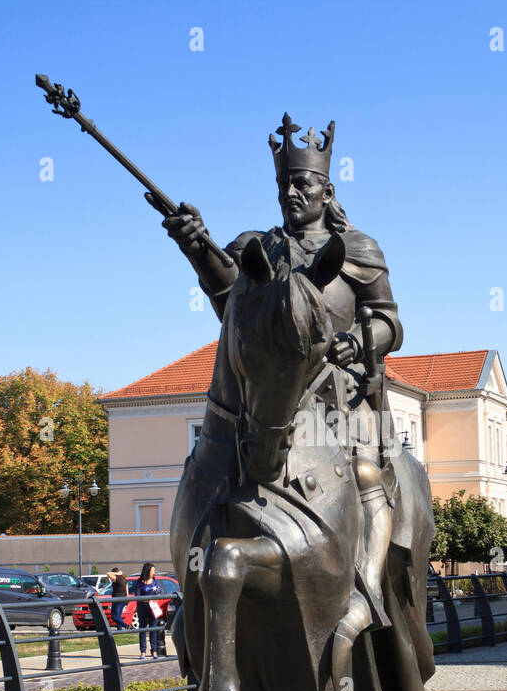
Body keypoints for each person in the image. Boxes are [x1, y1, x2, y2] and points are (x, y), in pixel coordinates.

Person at [164, 114, 402, 648]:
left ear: (326, 190)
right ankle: (194, 593)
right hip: (273, 396)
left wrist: (357, 344)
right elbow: (232, 304)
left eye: (302, 183)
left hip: (336, 397)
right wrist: (198, 247)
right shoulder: (258, 246)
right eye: (284, 184)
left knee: (364, 472)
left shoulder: (358, 250)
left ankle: (366, 591)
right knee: (216, 465)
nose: (291, 192)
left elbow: (390, 320)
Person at [130, 562, 166, 658]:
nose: (153, 572)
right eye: (152, 571)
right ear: (147, 571)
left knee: (153, 629)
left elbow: (160, 592)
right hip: (142, 608)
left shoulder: (154, 581)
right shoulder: (139, 582)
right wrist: (147, 599)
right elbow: (137, 596)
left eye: (154, 571)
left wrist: (156, 598)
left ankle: (154, 650)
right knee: (143, 629)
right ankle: (143, 651)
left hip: (153, 608)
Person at [108, 567, 129, 631]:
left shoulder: (117, 579)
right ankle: (119, 629)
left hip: (117, 600)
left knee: (114, 617)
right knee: (118, 616)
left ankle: (126, 625)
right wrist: (127, 600)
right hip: (123, 600)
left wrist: (116, 573)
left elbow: (108, 574)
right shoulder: (124, 580)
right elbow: (127, 591)